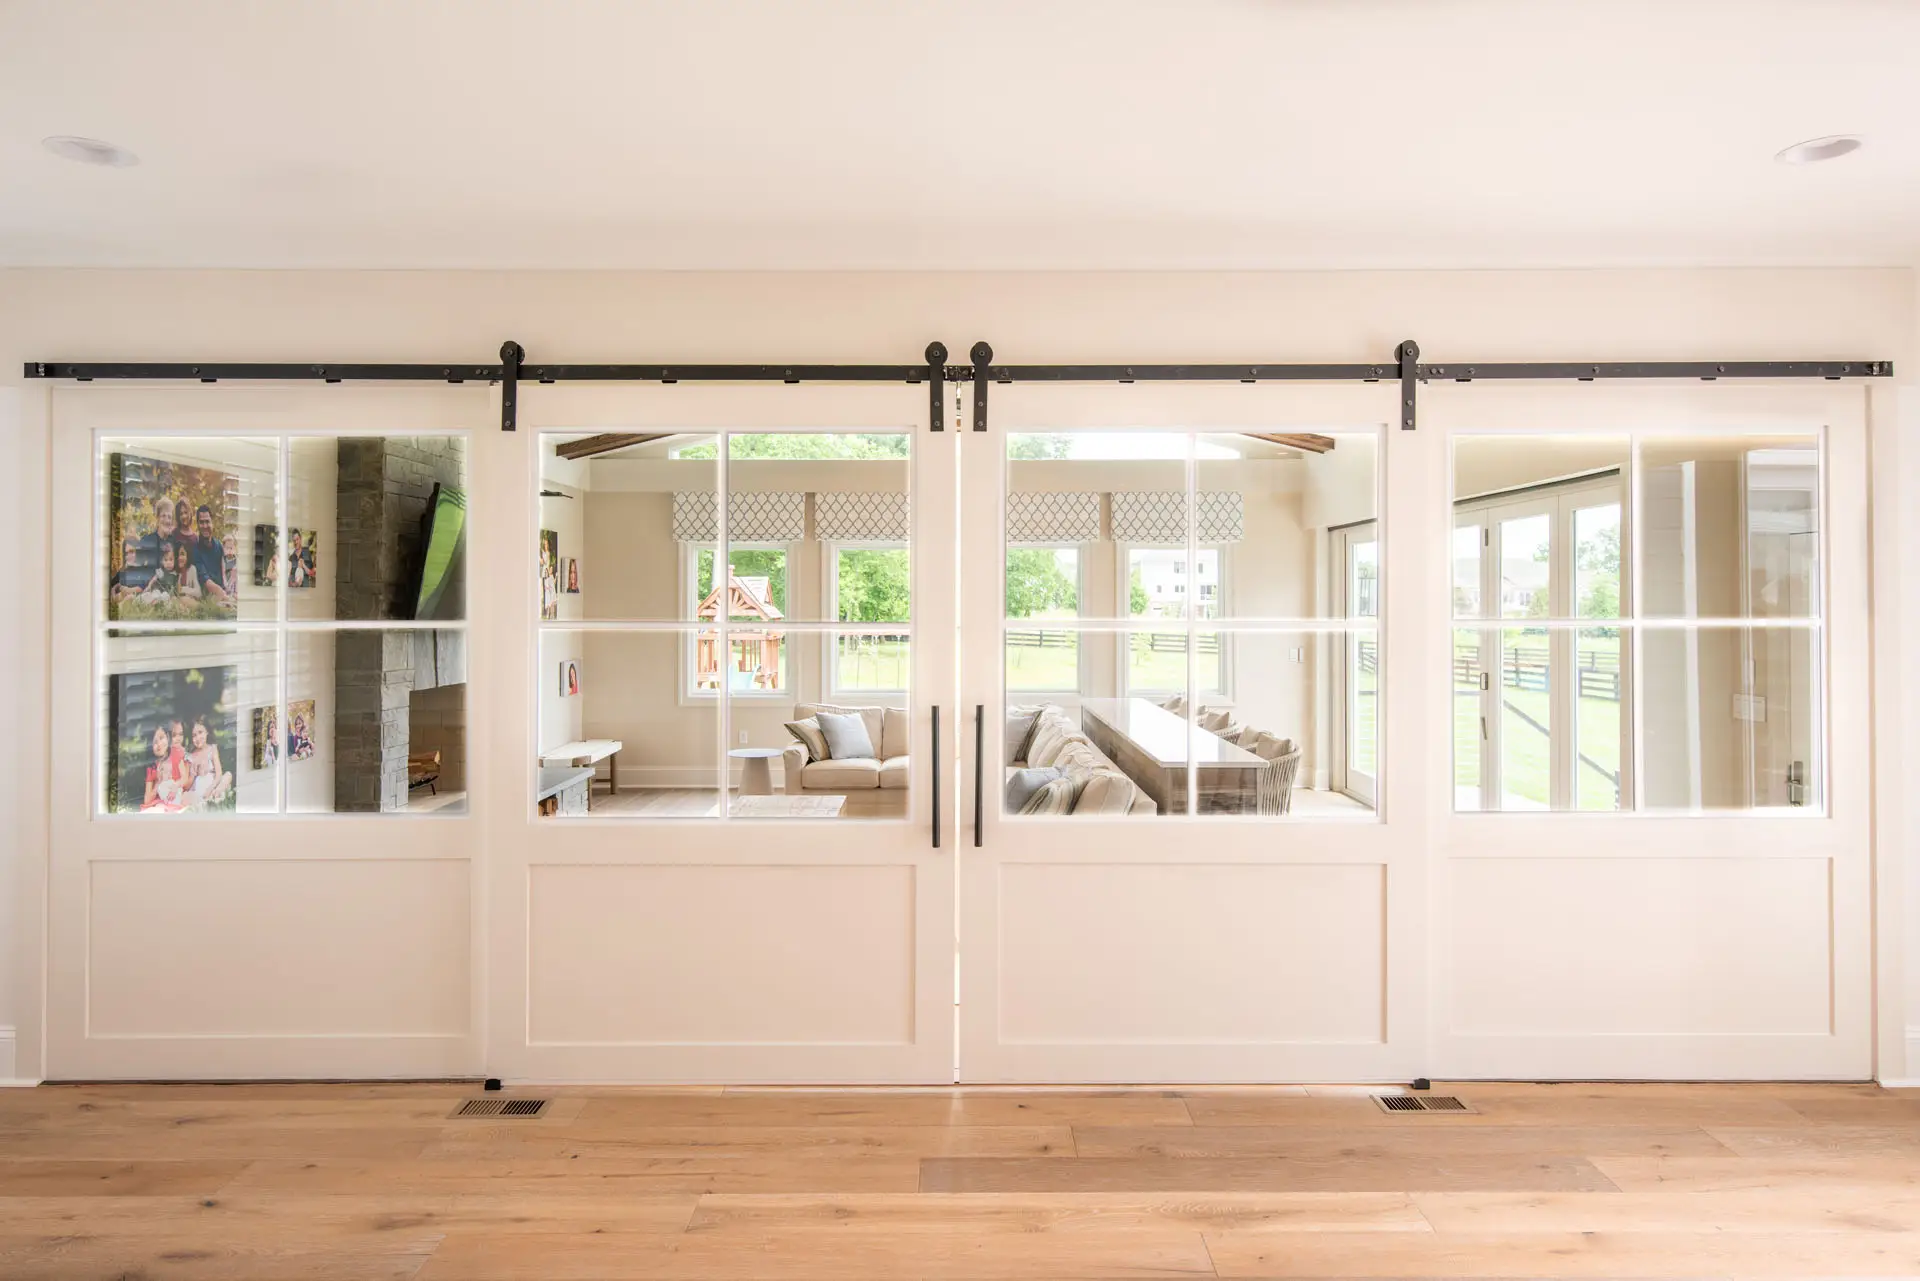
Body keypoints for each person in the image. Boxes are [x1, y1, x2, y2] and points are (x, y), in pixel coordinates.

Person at [184, 505, 232, 606]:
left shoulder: (219, 545)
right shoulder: (195, 548)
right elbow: (205, 581)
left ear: (212, 523)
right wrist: (222, 593)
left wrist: (226, 592)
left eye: (207, 521)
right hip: (206, 597)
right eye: (201, 522)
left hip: (222, 593)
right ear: (197, 524)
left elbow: (223, 574)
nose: (205, 526)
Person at [185, 718, 232, 805]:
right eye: (194, 735)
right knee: (189, 796)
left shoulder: (212, 749)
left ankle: (216, 794)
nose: (198, 738)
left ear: (207, 732)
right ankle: (210, 800)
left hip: (213, 784)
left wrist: (211, 789)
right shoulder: (191, 756)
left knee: (228, 775)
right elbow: (190, 782)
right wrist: (193, 772)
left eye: (200, 732)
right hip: (200, 786)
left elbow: (218, 774)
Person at [141, 724, 187, 812]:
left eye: (161, 738)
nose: (159, 744)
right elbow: (147, 800)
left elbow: (184, 778)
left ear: (168, 738)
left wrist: (176, 785)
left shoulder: (175, 753)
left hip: (177, 796)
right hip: (161, 802)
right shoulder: (152, 767)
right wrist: (158, 783)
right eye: (154, 742)